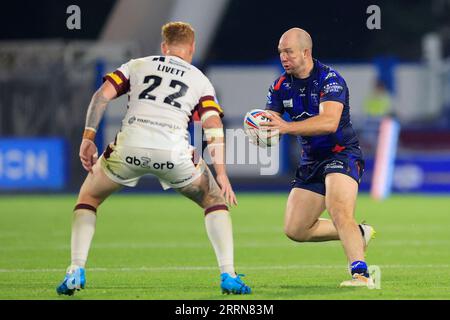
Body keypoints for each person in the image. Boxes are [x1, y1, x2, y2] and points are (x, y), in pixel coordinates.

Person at [56, 21, 251, 296]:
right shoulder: (199, 78)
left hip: (129, 149)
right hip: (173, 152)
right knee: (214, 200)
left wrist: (88, 137)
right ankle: (228, 274)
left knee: (88, 199)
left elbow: (101, 96)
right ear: (191, 48)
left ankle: (75, 269)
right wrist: (221, 174)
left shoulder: (137, 65)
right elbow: (212, 125)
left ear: (164, 46)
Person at [261, 28, 376, 287]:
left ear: (306, 52)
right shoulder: (279, 86)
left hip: (342, 154)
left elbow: (329, 122)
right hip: (311, 161)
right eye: (281, 52)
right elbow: (271, 126)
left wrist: (286, 128)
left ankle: (361, 275)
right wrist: (260, 132)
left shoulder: (330, 79)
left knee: (339, 210)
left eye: (288, 51)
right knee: (295, 229)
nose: (283, 57)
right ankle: (357, 233)